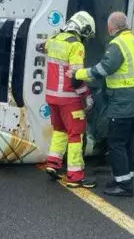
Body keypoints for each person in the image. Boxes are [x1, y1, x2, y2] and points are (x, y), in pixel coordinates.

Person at [70, 11, 134, 197]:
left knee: (116, 143)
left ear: (111, 27)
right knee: (127, 143)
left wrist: (77, 74)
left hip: (122, 103)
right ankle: (124, 178)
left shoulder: (117, 44)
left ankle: (124, 187)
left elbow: (103, 68)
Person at [43, 10, 97, 189]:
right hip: (68, 98)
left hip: (51, 96)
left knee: (59, 130)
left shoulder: (54, 40)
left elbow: (43, 48)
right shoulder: (76, 46)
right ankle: (75, 175)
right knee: (75, 134)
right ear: (83, 28)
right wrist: (87, 96)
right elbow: (76, 77)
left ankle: (53, 163)